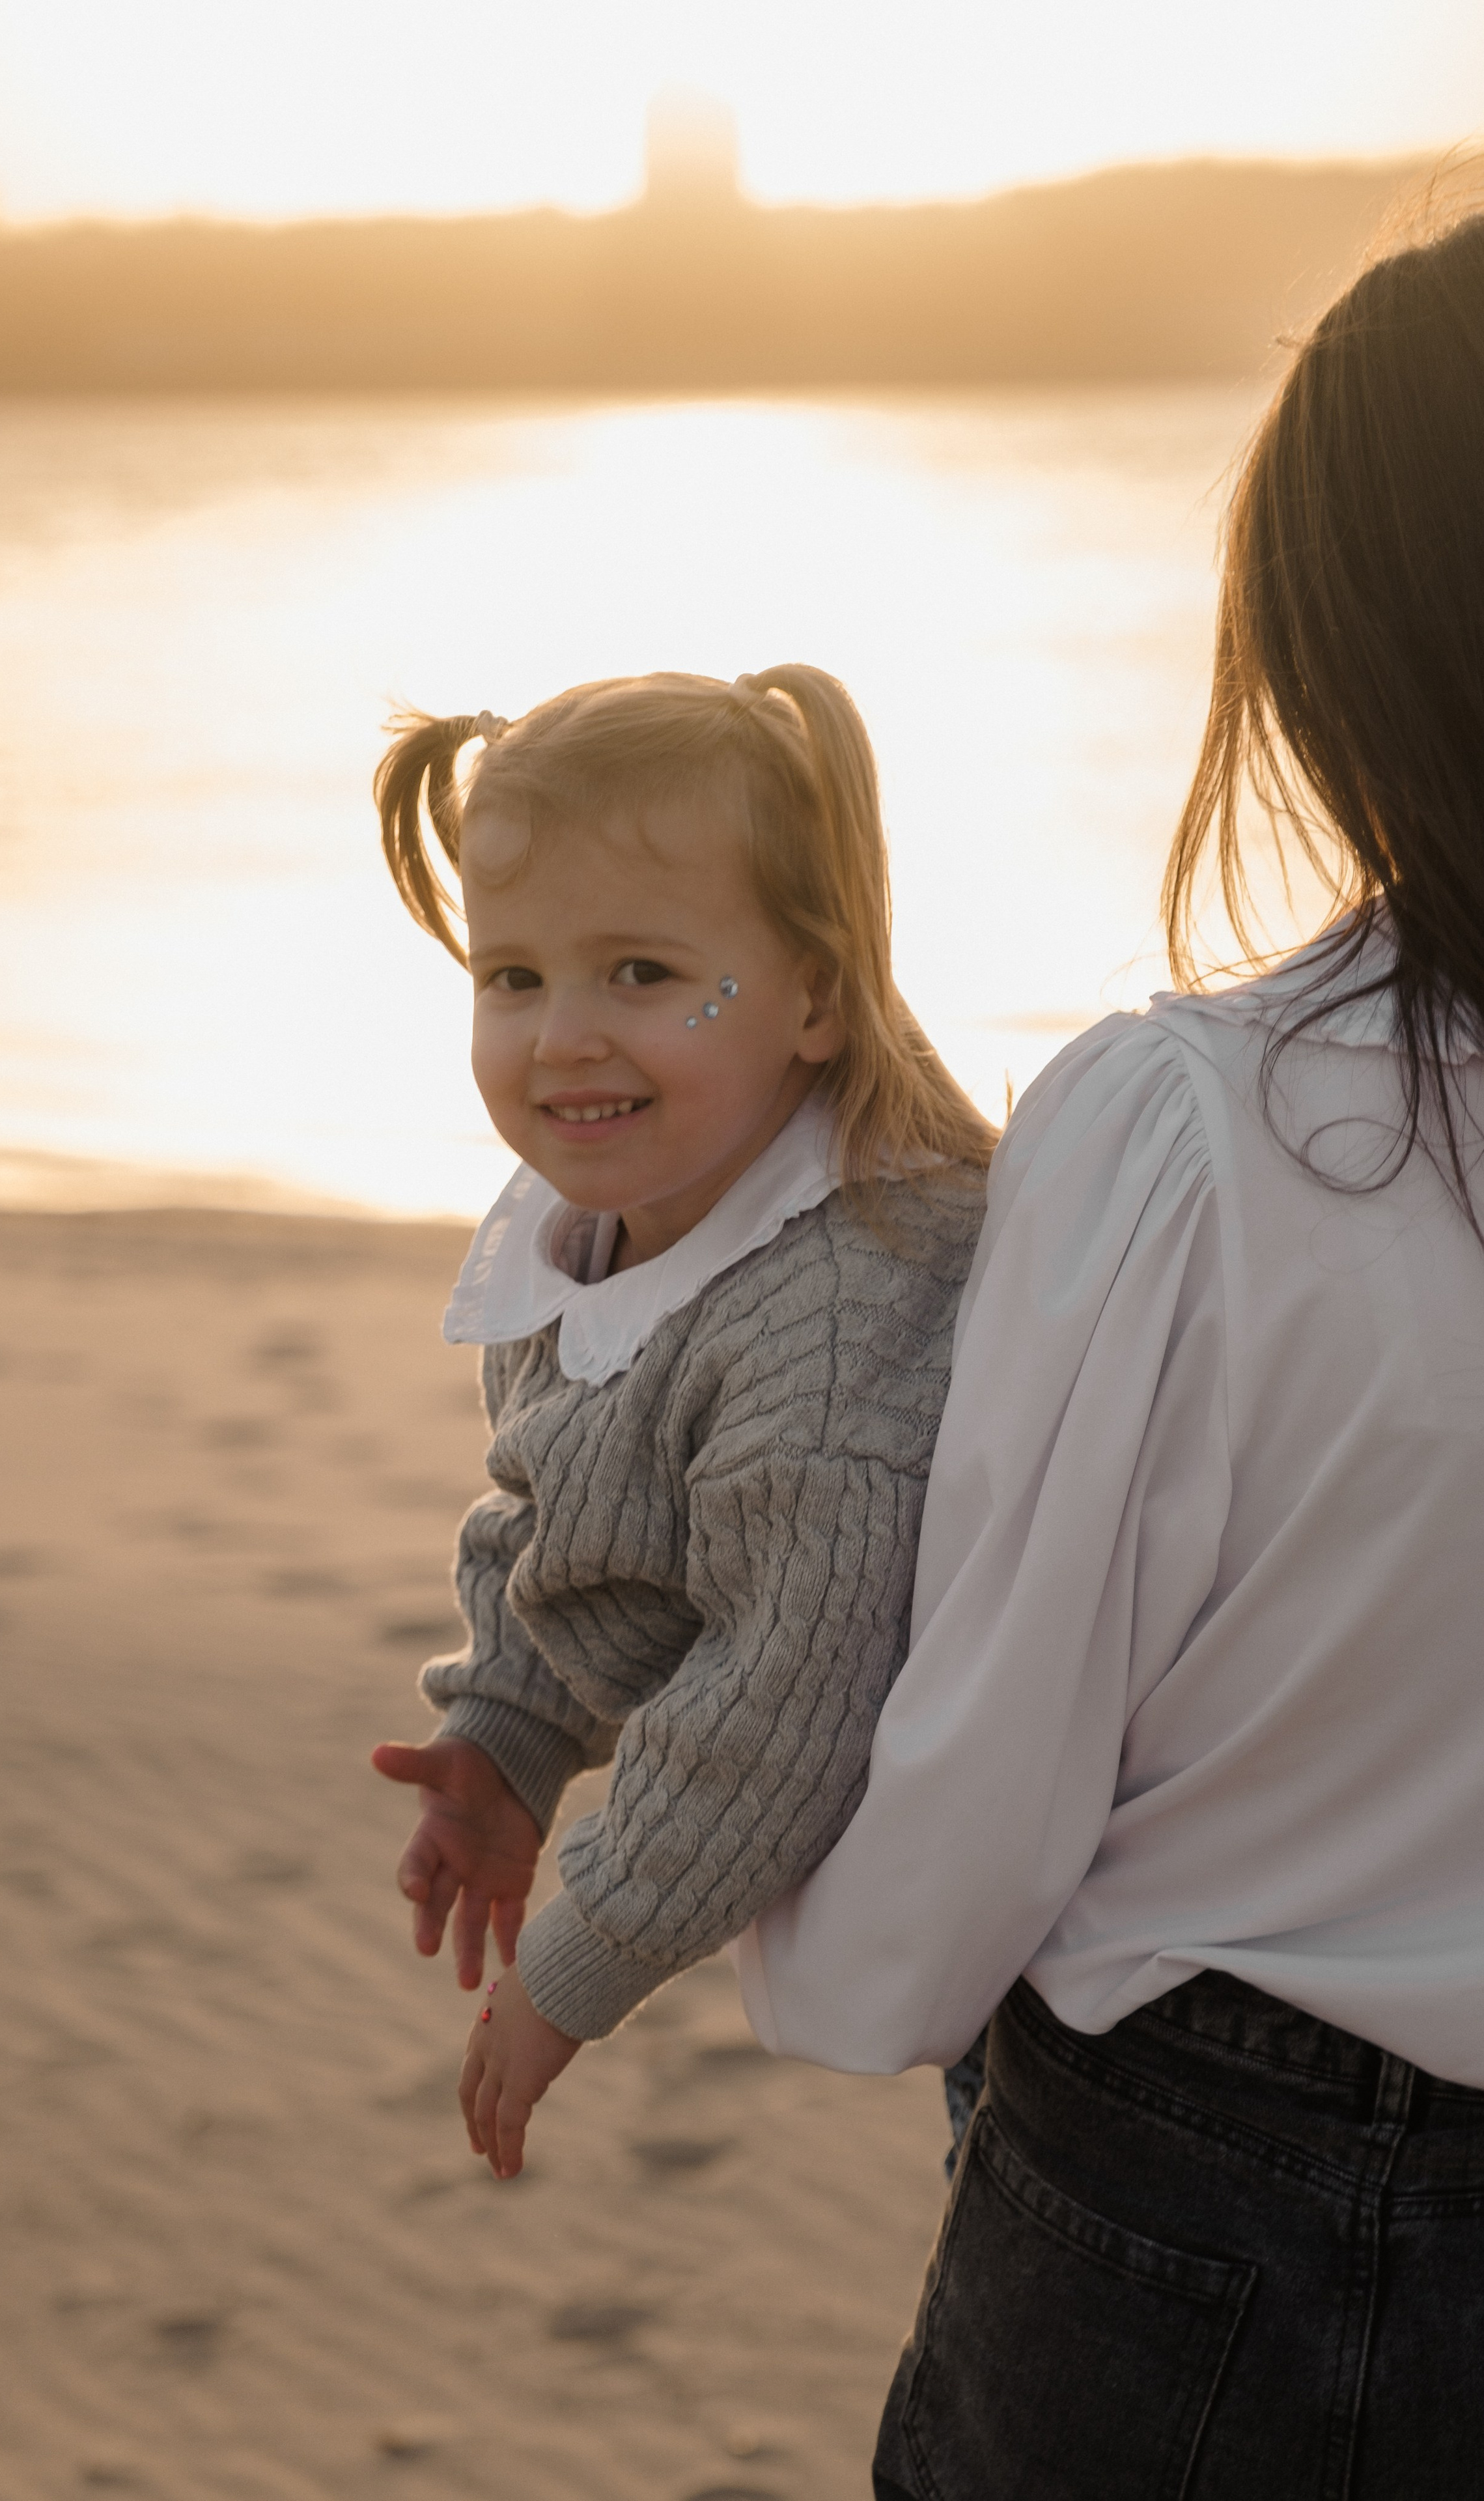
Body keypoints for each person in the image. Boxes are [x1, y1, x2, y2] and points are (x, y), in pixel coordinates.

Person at [738, 208, 1484, 2497]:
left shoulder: (1202, 1128)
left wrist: (826, 1955)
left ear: (1336, 648)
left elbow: (997, 1754)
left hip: (1225, 2184)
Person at [367, 666, 993, 2179]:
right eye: (510, 978)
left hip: (1051, 1898)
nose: (560, 1037)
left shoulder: (836, 1317)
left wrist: (572, 1971)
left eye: (642, 974)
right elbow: (558, 1511)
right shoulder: (593, 1220)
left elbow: (776, 1704)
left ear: (814, 997)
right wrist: (510, 1737)